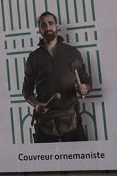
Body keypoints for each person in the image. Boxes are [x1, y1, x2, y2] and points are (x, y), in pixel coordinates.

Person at [21, 11, 92, 142]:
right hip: (45, 120)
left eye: (51, 23)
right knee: (45, 161)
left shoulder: (72, 53)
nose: (48, 27)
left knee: (79, 160)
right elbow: (26, 91)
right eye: (43, 25)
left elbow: (87, 82)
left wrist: (85, 88)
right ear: (39, 29)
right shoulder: (34, 58)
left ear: (57, 26)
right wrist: (36, 105)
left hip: (71, 118)